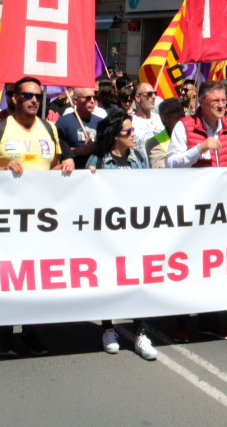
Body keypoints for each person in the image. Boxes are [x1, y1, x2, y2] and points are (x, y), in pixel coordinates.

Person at [0, 76, 74, 355]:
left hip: (41, 221)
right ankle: (5, 334)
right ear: (14, 98)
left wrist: (67, 164)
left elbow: (56, 168)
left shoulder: (50, 129)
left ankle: (33, 332)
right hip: (5, 218)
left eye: (38, 96)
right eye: (27, 96)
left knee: (36, 279)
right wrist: (1, 170)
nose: (34, 100)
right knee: (7, 277)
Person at [164, 80, 227, 342]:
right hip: (191, 207)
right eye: (216, 101)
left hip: (222, 208)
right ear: (201, 102)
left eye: (224, 100)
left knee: (214, 264)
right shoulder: (184, 127)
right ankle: (181, 320)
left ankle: (209, 318)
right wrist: (199, 149)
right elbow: (171, 164)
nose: (222, 104)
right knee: (187, 265)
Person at [85, 111, 158, 361]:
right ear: (115, 136)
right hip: (107, 234)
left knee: (138, 280)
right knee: (108, 279)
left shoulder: (139, 157)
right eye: (128, 132)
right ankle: (108, 328)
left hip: (134, 231)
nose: (133, 135)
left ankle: (141, 331)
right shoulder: (98, 159)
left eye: (132, 131)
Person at [57, 87, 102, 166]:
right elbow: (56, 150)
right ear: (75, 100)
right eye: (87, 98)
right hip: (73, 172)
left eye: (94, 98)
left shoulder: (101, 122)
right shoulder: (63, 122)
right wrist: (79, 151)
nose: (92, 101)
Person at [146, 97, 185, 169]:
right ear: (166, 118)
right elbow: (161, 171)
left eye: (182, 109)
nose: (182, 114)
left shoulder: (191, 134)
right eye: (176, 111)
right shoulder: (154, 143)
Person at [130, 82, 163, 152]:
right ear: (138, 98)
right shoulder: (129, 121)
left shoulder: (161, 119)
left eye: (155, 93)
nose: (154, 97)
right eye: (149, 94)